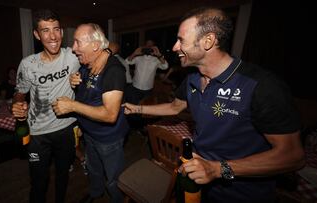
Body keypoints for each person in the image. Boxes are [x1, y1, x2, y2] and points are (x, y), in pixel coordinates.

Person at [123, 7, 305, 203]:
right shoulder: (192, 78)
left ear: (208, 41)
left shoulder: (261, 86)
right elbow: (175, 107)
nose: (175, 47)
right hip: (200, 181)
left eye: (181, 40)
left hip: (241, 193)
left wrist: (218, 169)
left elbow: (292, 156)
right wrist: (138, 108)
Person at [11, 10, 110, 203]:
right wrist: (17, 105)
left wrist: (106, 53)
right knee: (39, 181)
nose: (53, 36)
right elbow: (19, 93)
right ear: (37, 35)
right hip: (38, 132)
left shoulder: (73, 55)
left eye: (56, 29)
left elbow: (110, 44)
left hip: (67, 128)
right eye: (45, 31)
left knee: (63, 175)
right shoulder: (28, 64)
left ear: (62, 32)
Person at [52, 23, 128, 203]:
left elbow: (110, 115)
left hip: (108, 138)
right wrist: (74, 81)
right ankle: (95, 194)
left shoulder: (113, 69)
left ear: (95, 45)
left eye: (78, 42)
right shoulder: (86, 64)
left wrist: (72, 106)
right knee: (94, 170)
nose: (73, 48)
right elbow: (88, 88)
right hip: (90, 134)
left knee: (114, 180)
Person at [125, 39, 169, 104]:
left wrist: (159, 54)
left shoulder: (156, 60)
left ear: (154, 47)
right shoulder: (138, 58)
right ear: (144, 46)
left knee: (144, 108)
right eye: (147, 45)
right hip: (135, 87)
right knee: (133, 107)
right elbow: (127, 61)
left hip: (148, 89)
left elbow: (165, 66)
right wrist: (134, 53)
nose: (149, 47)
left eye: (151, 45)